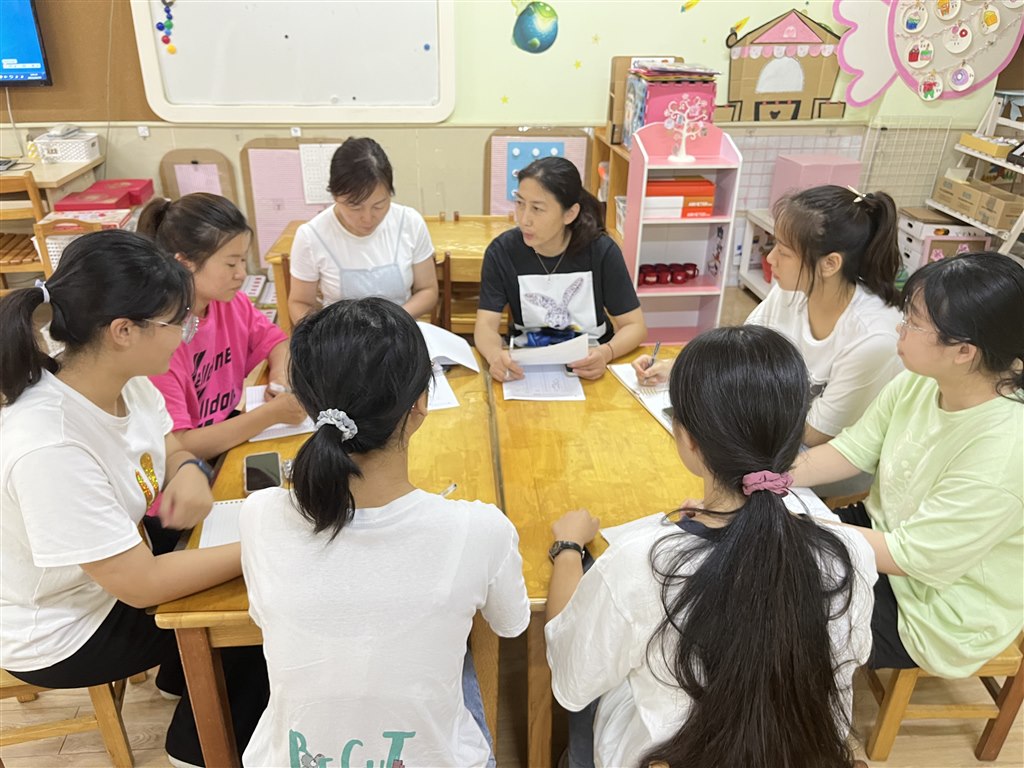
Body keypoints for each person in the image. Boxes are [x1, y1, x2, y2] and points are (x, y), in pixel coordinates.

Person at [545, 325, 877, 768]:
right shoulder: (848, 553)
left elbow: (569, 677)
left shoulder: (643, 564)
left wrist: (568, 547)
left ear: (688, 439)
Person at [0, 230, 268, 768]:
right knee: (252, 614)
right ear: (123, 330)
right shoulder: (50, 445)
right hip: (62, 629)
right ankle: (196, 751)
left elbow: (167, 442)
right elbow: (141, 585)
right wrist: (264, 542)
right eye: (177, 323)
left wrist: (186, 469)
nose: (185, 336)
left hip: (110, 570)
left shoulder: (121, 375)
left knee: (228, 547)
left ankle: (183, 680)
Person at [238, 297, 531, 768]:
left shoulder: (259, 514)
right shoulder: (481, 529)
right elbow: (511, 623)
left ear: (309, 404)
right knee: (461, 668)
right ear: (420, 403)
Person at [792, 252, 1024, 677]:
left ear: (964, 351)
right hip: (885, 533)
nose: (900, 329)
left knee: (775, 606)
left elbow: (916, 557)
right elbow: (852, 449)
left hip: (933, 609)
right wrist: (774, 475)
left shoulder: (1004, 450)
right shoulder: (921, 379)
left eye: (914, 323)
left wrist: (802, 530)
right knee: (754, 556)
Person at [636, 185, 902, 449]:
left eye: (784, 252)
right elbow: (743, 355)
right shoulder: (792, 291)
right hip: (777, 435)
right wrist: (679, 369)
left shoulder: (873, 337)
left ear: (829, 264)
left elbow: (814, 434)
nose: (771, 258)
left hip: (819, 457)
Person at [139, 193, 307, 461]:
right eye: (231, 263)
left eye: (243, 260)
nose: (241, 273)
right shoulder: (161, 337)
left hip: (228, 436)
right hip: (190, 465)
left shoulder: (230, 304)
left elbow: (277, 342)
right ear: (184, 264)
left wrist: (280, 380)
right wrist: (270, 414)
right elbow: (180, 445)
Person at [475, 156, 646, 381]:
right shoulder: (502, 252)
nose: (524, 219)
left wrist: (607, 353)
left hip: (592, 362)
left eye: (537, 208)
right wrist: (494, 356)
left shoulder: (600, 251)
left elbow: (635, 326)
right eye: (520, 203)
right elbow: (486, 325)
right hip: (527, 365)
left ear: (570, 214)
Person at [287, 137, 438, 324]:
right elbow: (300, 302)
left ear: (390, 193)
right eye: (355, 207)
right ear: (335, 195)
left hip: (400, 329)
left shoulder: (409, 222)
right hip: (343, 335)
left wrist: (393, 321)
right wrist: (323, 334)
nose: (367, 218)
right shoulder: (312, 236)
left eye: (379, 205)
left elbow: (428, 290)